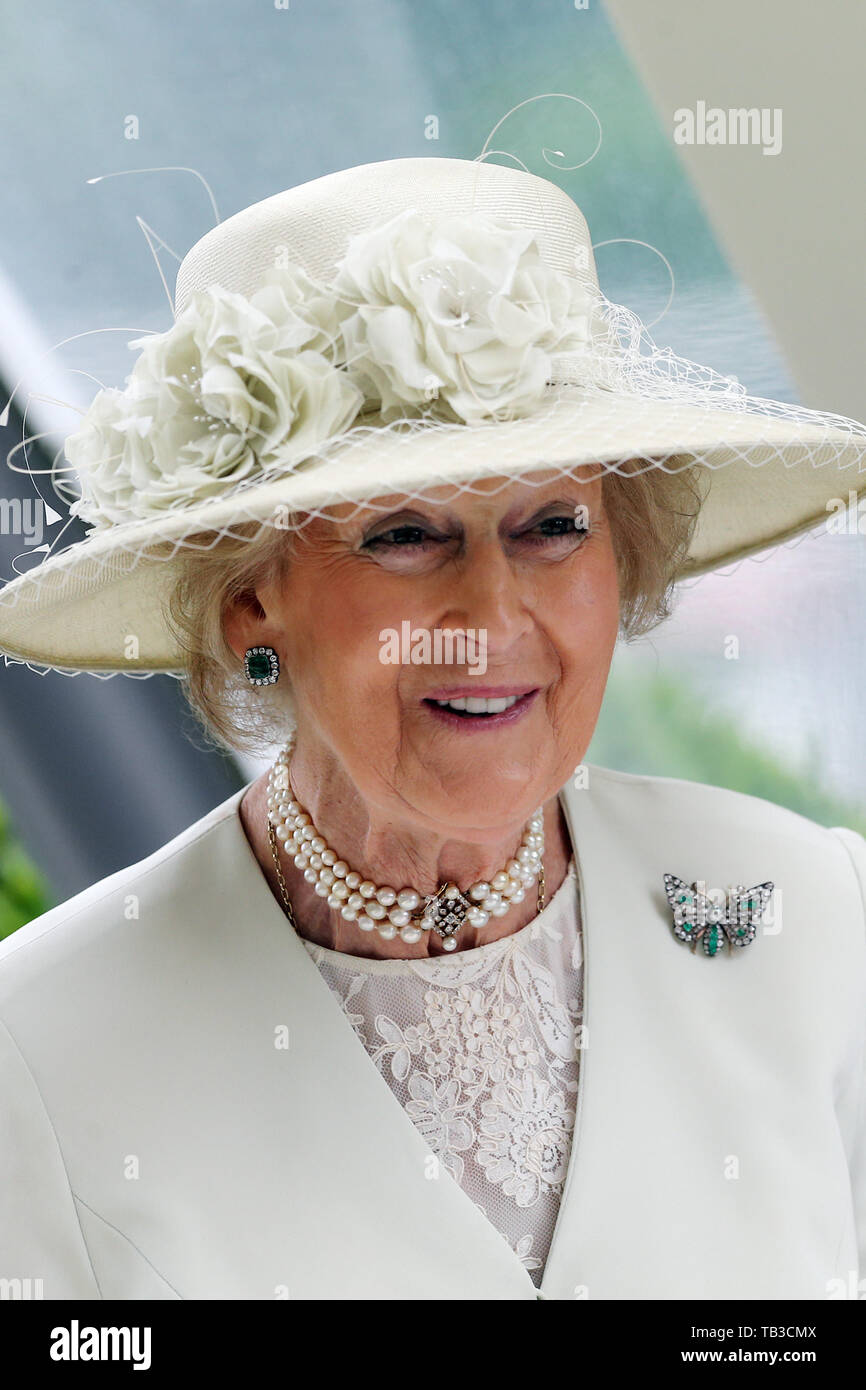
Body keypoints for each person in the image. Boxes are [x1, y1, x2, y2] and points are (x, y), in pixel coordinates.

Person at [0, 155, 864, 1301]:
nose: (490, 616)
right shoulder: (39, 1047)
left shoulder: (816, 920)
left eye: (551, 524)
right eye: (406, 535)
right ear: (253, 592)